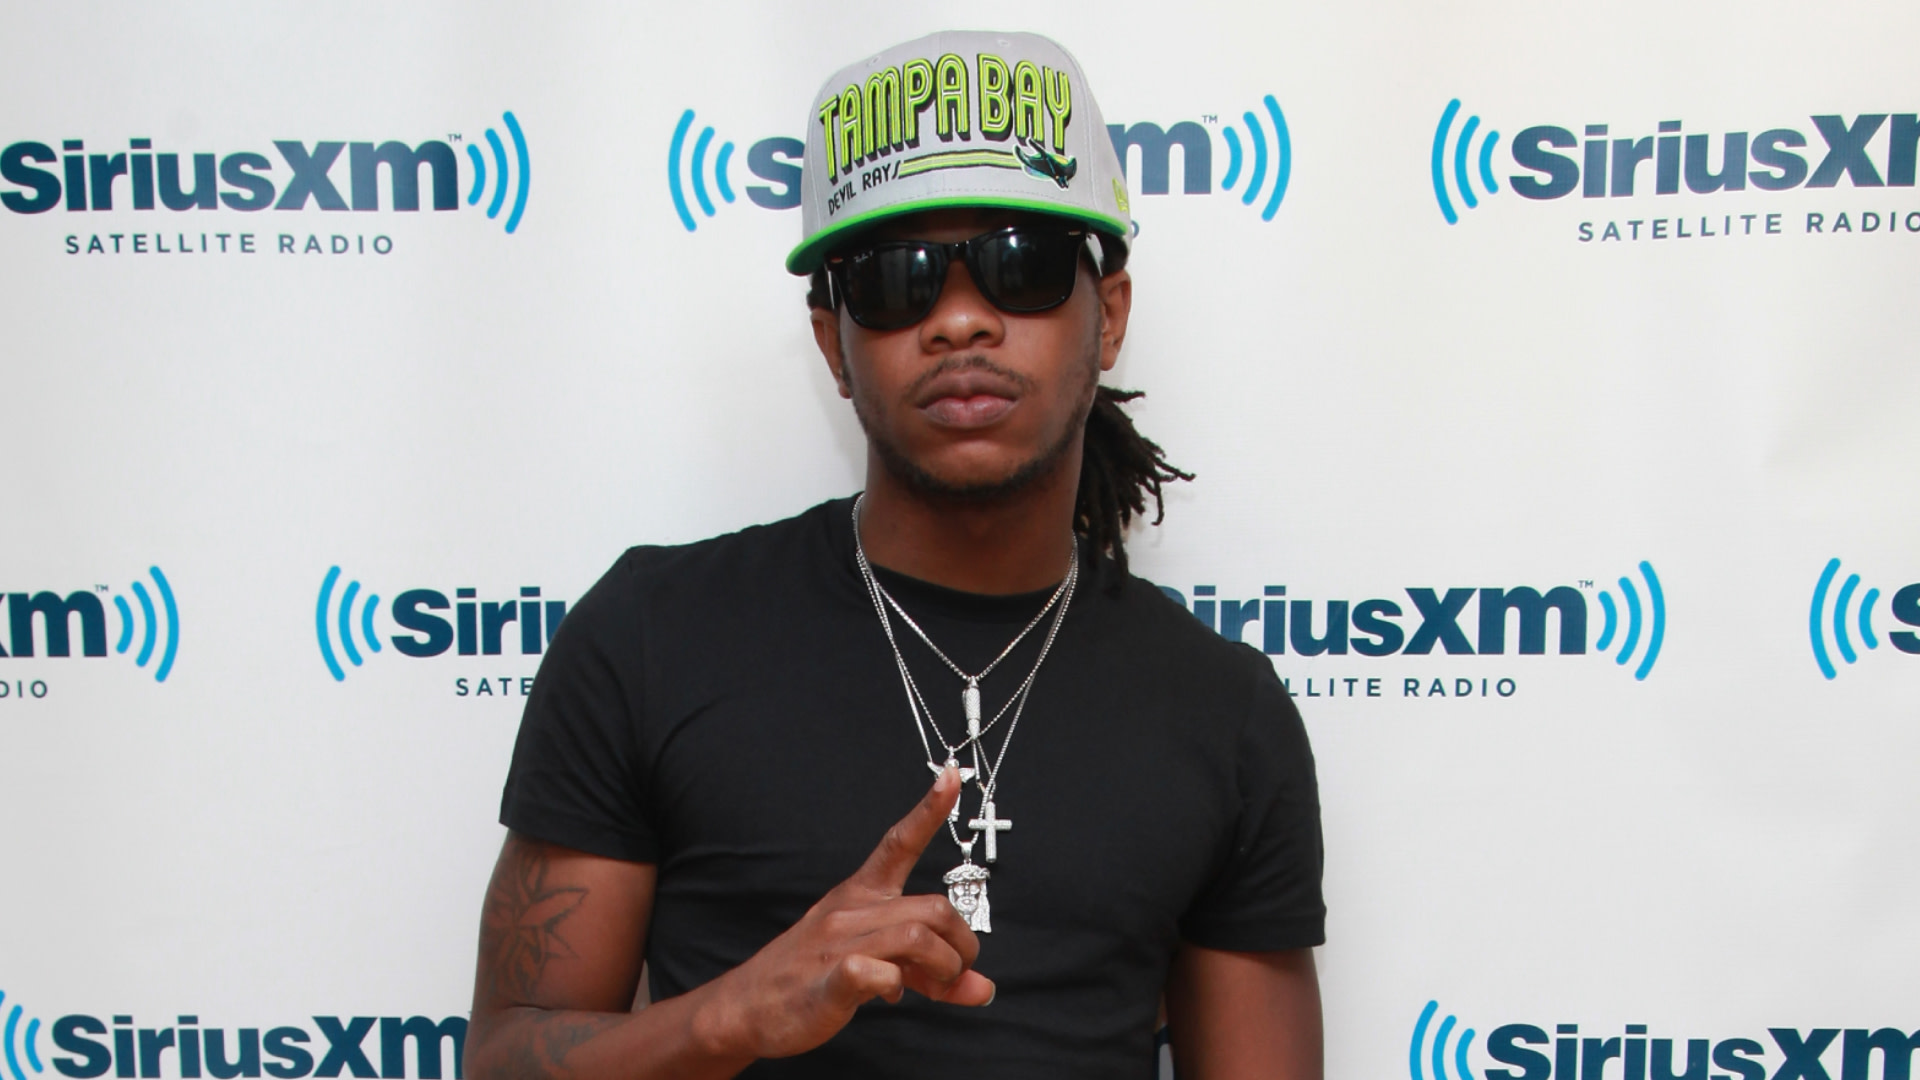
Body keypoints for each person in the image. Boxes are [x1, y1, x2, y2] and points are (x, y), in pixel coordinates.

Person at [463, 30, 1324, 1080]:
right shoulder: (650, 637)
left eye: (1021, 266)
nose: (960, 320)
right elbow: (500, 1059)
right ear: (833, 343)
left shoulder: (1224, 713)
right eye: (894, 281)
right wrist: (731, 1015)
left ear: (1108, 318)